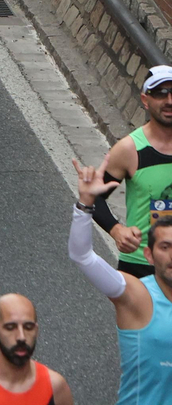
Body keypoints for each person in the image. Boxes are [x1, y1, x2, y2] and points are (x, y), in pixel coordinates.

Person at [69, 157, 172, 405]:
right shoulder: (136, 296)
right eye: (165, 247)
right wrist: (85, 203)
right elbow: (82, 256)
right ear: (149, 255)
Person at [93, 66, 172, 280]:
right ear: (145, 100)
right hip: (141, 266)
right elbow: (93, 197)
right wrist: (116, 229)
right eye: (160, 93)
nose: (169, 101)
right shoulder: (129, 149)